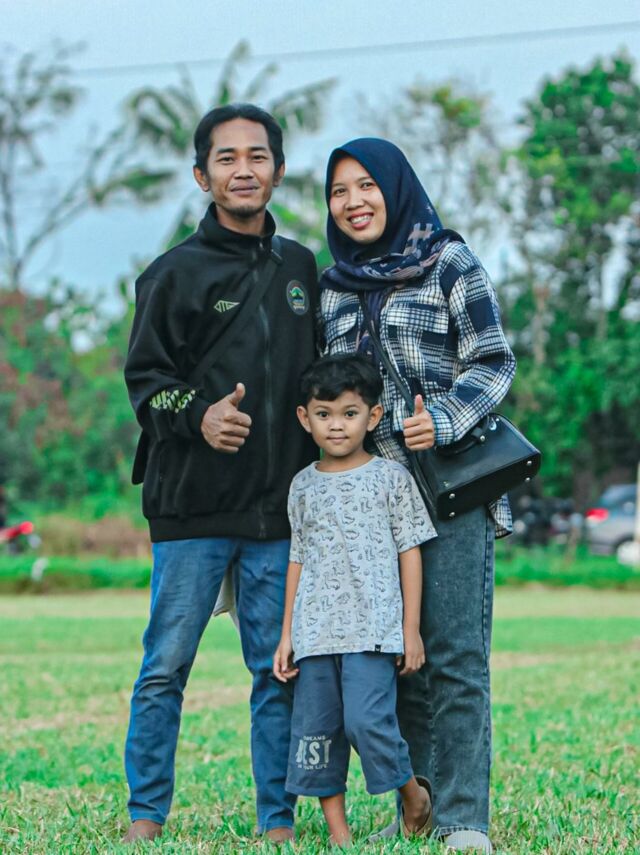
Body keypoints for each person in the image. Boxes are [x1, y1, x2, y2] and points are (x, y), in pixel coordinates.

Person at [122, 103, 318, 844]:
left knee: (277, 671)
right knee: (165, 666)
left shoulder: (300, 269)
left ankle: (278, 822)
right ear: (202, 176)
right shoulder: (171, 274)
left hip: (278, 512)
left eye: (257, 156)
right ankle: (146, 816)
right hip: (192, 509)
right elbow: (146, 382)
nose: (244, 169)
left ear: (279, 170)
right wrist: (199, 415)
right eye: (227, 158)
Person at [319, 138, 516, 853]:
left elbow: (494, 361)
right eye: (339, 191)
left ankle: (464, 819)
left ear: (397, 189)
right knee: (397, 661)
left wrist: (448, 417)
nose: (354, 202)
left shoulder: (449, 262)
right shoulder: (332, 287)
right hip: (371, 500)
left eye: (367, 185)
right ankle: (417, 805)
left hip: (451, 487)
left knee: (456, 656)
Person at [273, 353, 437, 847]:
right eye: (323, 414)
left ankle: (414, 798)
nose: (337, 425)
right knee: (318, 733)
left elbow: (410, 551)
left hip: (373, 631)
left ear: (373, 415)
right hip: (315, 635)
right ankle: (340, 838)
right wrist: (287, 635)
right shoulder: (302, 486)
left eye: (349, 413)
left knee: (368, 723)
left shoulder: (391, 478)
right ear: (305, 418)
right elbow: (297, 558)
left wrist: (410, 629)